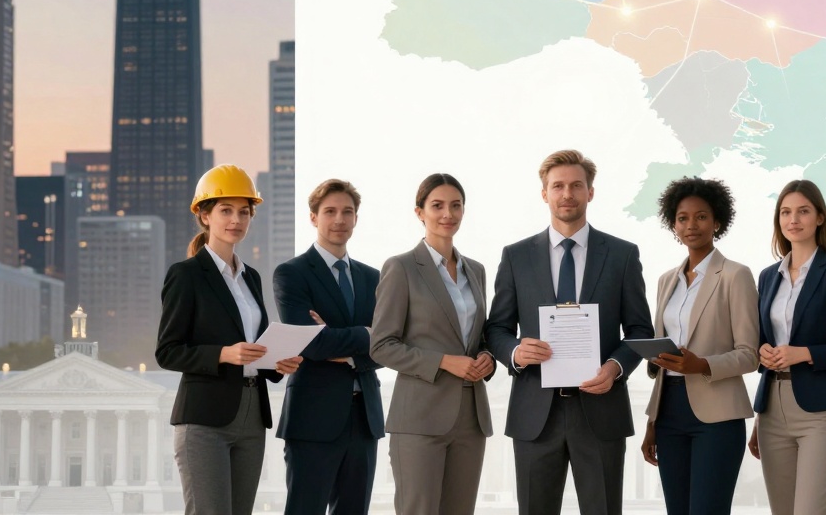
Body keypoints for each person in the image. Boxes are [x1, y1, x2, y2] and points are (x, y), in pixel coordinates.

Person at [485, 149, 654, 515]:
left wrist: (615, 367)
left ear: (590, 192)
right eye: (558, 186)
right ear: (544, 193)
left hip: (600, 411)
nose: (567, 194)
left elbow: (640, 329)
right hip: (535, 414)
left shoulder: (623, 255)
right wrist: (515, 351)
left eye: (576, 185)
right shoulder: (516, 256)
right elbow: (496, 327)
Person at [156, 164, 302, 515]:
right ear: (204, 216)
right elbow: (167, 352)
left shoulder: (250, 277)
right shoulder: (186, 275)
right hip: (204, 419)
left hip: (252, 416)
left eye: (243, 212)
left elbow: (255, 346)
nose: (236, 219)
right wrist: (223, 354)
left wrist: (278, 364)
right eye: (225, 210)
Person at [370, 173, 495, 515]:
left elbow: (479, 338)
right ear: (419, 212)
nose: (448, 214)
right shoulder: (401, 268)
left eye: (456, 206)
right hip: (419, 420)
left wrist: (488, 358)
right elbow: (381, 345)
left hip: (470, 419)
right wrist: (444, 361)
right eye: (437, 206)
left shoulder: (477, 271)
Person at [640, 177, 759, 515]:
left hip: (717, 416)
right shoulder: (666, 281)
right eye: (682, 218)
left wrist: (703, 364)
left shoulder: (736, 276)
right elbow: (661, 355)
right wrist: (652, 421)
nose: (691, 225)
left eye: (701, 216)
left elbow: (750, 354)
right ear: (673, 224)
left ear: (717, 221)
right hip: (668, 413)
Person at [748, 179, 826, 515]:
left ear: (819, 218)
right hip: (772, 408)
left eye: (803, 211)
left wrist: (806, 353)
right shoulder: (768, 276)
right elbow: (762, 337)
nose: (793, 219)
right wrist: (762, 352)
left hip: (820, 412)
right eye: (785, 212)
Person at [273, 179, 384, 515]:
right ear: (313, 218)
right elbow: (309, 343)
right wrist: (366, 334)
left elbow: (390, 346)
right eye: (330, 211)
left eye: (347, 212)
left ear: (356, 218)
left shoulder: (374, 278)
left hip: (364, 418)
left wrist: (335, 340)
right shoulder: (291, 274)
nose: (339, 219)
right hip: (313, 417)